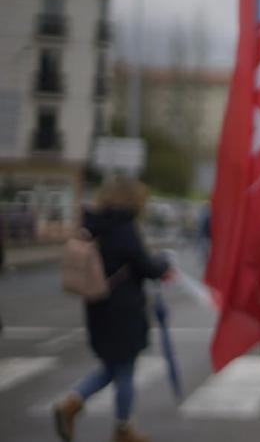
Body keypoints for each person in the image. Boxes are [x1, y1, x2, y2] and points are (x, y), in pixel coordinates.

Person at [52, 176, 172, 442]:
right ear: (132, 200)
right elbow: (146, 267)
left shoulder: (96, 223)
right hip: (123, 311)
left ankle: (71, 404)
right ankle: (123, 428)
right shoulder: (124, 228)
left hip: (99, 307)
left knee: (112, 367)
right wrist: (163, 263)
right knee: (125, 370)